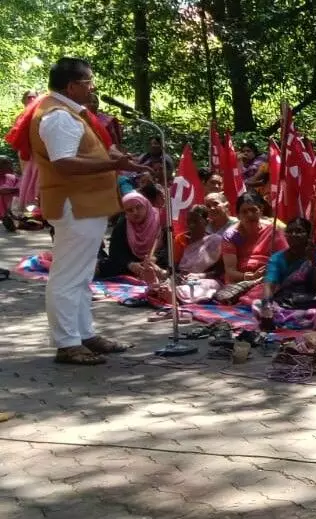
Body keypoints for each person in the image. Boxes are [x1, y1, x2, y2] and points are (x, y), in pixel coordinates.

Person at [31, 58, 152, 364]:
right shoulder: (58, 116)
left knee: (82, 275)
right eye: (88, 82)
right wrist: (114, 164)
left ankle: (84, 334)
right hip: (74, 204)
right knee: (68, 276)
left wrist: (119, 160)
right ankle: (67, 343)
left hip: (85, 204)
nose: (92, 87)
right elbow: (63, 163)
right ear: (71, 86)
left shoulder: (71, 113)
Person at [257, 218, 316, 330]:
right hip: (286, 302)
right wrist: (266, 306)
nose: (294, 234)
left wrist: (314, 263)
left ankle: (288, 321)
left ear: (309, 235)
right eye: (290, 231)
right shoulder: (277, 258)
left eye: (299, 231)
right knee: (258, 305)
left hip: (311, 302)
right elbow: (270, 283)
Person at [214, 192, 287, 306]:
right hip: (240, 282)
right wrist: (251, 277)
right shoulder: (231, 235)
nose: (250, 215)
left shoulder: (273, 231)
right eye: (244, 211)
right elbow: (230, 271)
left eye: (253, 210)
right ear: (237, 215)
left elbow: (284, 259)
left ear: (261, 211)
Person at [145, 207, 224, 305]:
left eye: (195, 221)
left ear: (206, 222)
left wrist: (200, 276)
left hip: (204, 280)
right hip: (182, 279)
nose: (191, 225)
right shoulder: (180, 239)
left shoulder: (215, 241)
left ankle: (173, 296)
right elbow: (173, 267)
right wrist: (161, 271)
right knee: (167, 282)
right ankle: (163, 290)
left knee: (209, 286)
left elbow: (221, 270)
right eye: (189, 221)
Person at [95, 191, 168, 286]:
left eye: (138, 207)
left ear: (145, 205)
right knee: (108, 266)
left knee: (166, 268)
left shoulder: (160, 219)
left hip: (156, 263)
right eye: (130, 210)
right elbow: (115, 252)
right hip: (132, 266)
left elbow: (169, 247)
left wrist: (155, 258)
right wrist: (130, 264)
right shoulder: (123, 224)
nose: (135, 212)